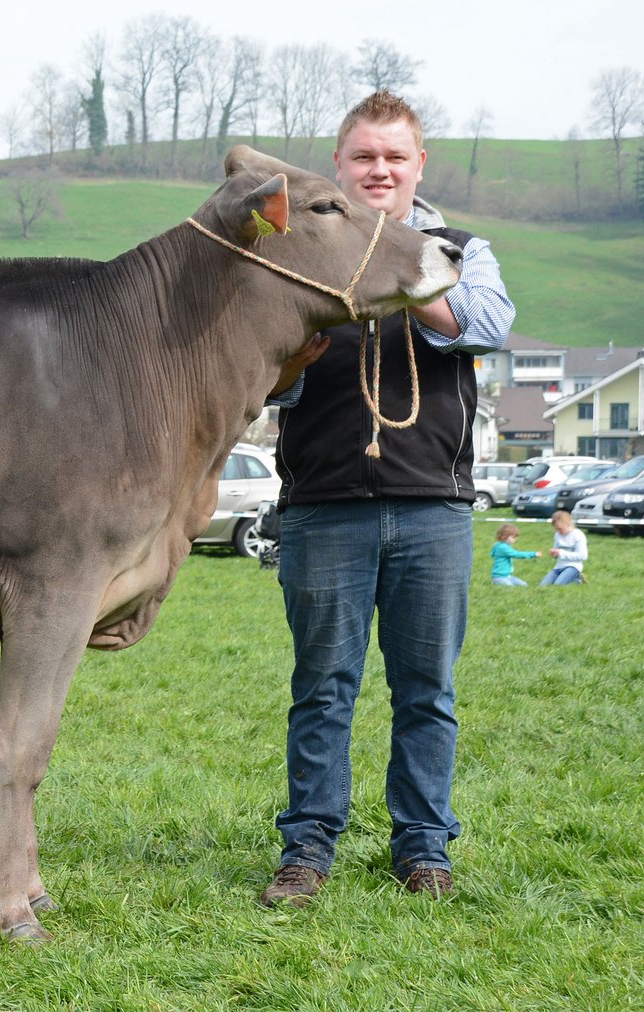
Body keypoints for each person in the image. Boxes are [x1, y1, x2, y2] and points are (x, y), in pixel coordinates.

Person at [259, 91, 515, 907]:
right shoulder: (294, 249)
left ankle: (423, 849)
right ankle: (307, 850)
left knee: (426, 690)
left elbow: (488, 322)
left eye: (394, 157)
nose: (379, 170)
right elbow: (250, 353)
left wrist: (395, 271)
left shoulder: (459, 249)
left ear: (418, 166)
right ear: (338, 164)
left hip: (433, 506)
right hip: (322, 504)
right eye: (364, 156)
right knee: (322, 686)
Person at [540, 510, 587, 586]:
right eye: (556, 529)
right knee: (542, 585)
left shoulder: (578, 535)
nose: (558, 531)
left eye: (560, 528)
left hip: (573, 566)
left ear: (567, 524)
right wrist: (554, 553)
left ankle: (577, 578)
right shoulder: (557, 534)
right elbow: (557, 551)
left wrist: (561, 553)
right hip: (559, 566)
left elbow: (583, 556)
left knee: (558, 585)